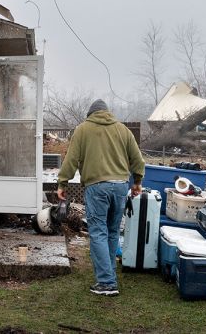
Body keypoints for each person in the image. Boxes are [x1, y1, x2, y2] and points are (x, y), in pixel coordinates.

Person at [56, 99, 145, 296]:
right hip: (121, 186)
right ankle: (109, 274)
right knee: (113, 232)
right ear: (107, 112)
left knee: (98, 232)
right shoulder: (122, 130)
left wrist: (62, 183)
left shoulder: (83, 129)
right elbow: (138, 160)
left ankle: (106, 282)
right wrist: (137, 182)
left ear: (90, 114)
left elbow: (71, 159)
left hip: (97, 187)